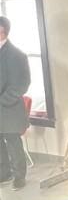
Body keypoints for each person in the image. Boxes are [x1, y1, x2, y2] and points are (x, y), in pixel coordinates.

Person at [0, 16, 31, 190]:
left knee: (12, 142)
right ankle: (3, 173)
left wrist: (3, 100)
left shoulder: (17, 55)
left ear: (2, 31)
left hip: (10, 108)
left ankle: (19, 176)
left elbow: (22, 84)